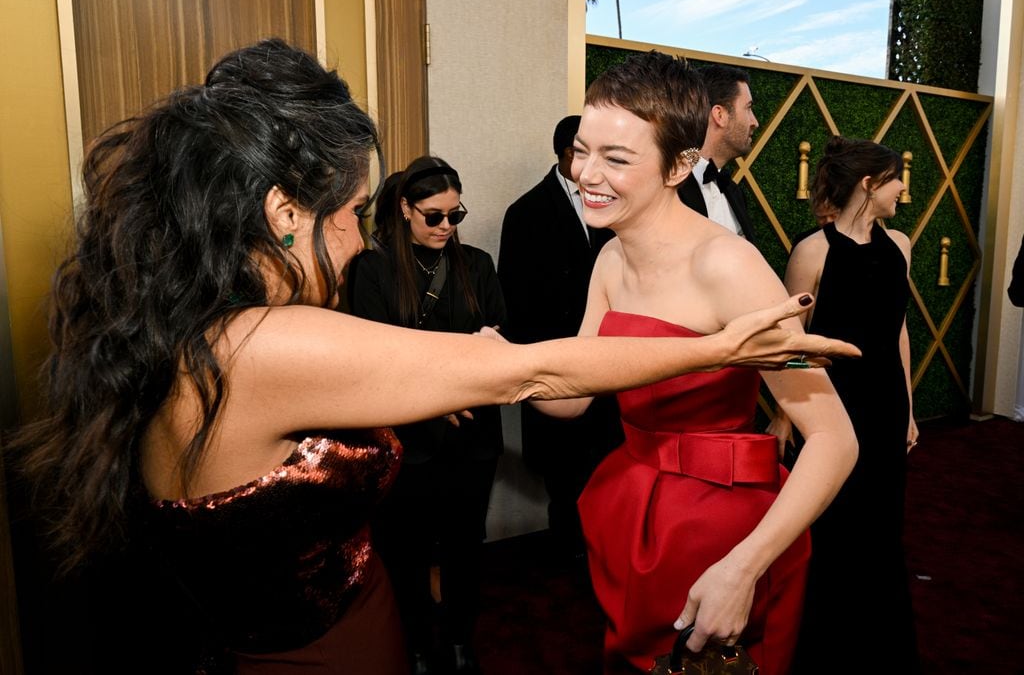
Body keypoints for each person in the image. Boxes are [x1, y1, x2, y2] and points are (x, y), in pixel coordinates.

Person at [7, 39, 856, 675]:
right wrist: (707, 350)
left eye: (615, 157)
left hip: (717, 516)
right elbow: (543, 379)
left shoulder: (199, 329)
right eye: (353, 210)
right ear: (283, 213)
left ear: (675, 165)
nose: (359, 240)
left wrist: (486, 363)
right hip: (353, 633)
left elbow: (547, 383)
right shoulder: (265, 340)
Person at [533, 51, 859, 675]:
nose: (586, 174)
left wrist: (744, 567)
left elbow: (834, 440)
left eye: (617, 158)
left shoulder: (726, 265)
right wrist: (499, 371)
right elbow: (571, 397)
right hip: (632, 510)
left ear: (680, 164)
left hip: (723, 528)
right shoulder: (609, 260)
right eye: (582, 150)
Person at [347, 155, 505, 674]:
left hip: (472, 439)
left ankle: (460, 642)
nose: (446, 227)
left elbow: (497, 344)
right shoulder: (372, 270)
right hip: (406, 441)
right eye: (434, 216)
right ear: (405, 208)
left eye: (455, 216)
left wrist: (460, 369)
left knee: (465, 546)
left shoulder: (477, 265)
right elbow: (373, 355)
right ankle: (414, 646)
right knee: (405, 551)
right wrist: (443, 389)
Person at [770, 135, 921, 673]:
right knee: (832, 529)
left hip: (883, 404)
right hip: (829, 408)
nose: (903, 188)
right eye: (897, 178)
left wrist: (906, 407)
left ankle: (878, 646)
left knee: (882, 526)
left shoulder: (900, 244)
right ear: (870, 183)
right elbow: (791, 345)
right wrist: (786, 415)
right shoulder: (813, 251)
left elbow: (898, 328)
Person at [497, 115, 623, 562]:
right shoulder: (525, 212)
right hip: (559, 369)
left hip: (610, 367)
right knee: (565, 481)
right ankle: (569, 570)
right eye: (587, 153)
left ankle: (605, 560)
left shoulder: (613, 206)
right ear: (568, 155)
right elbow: (515, 301)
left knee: (611, 472)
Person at [676, 64, 758, 242]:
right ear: (719, 115)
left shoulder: (735, 192)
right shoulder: (669, 189)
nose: (755, 122)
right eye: (748, 108)